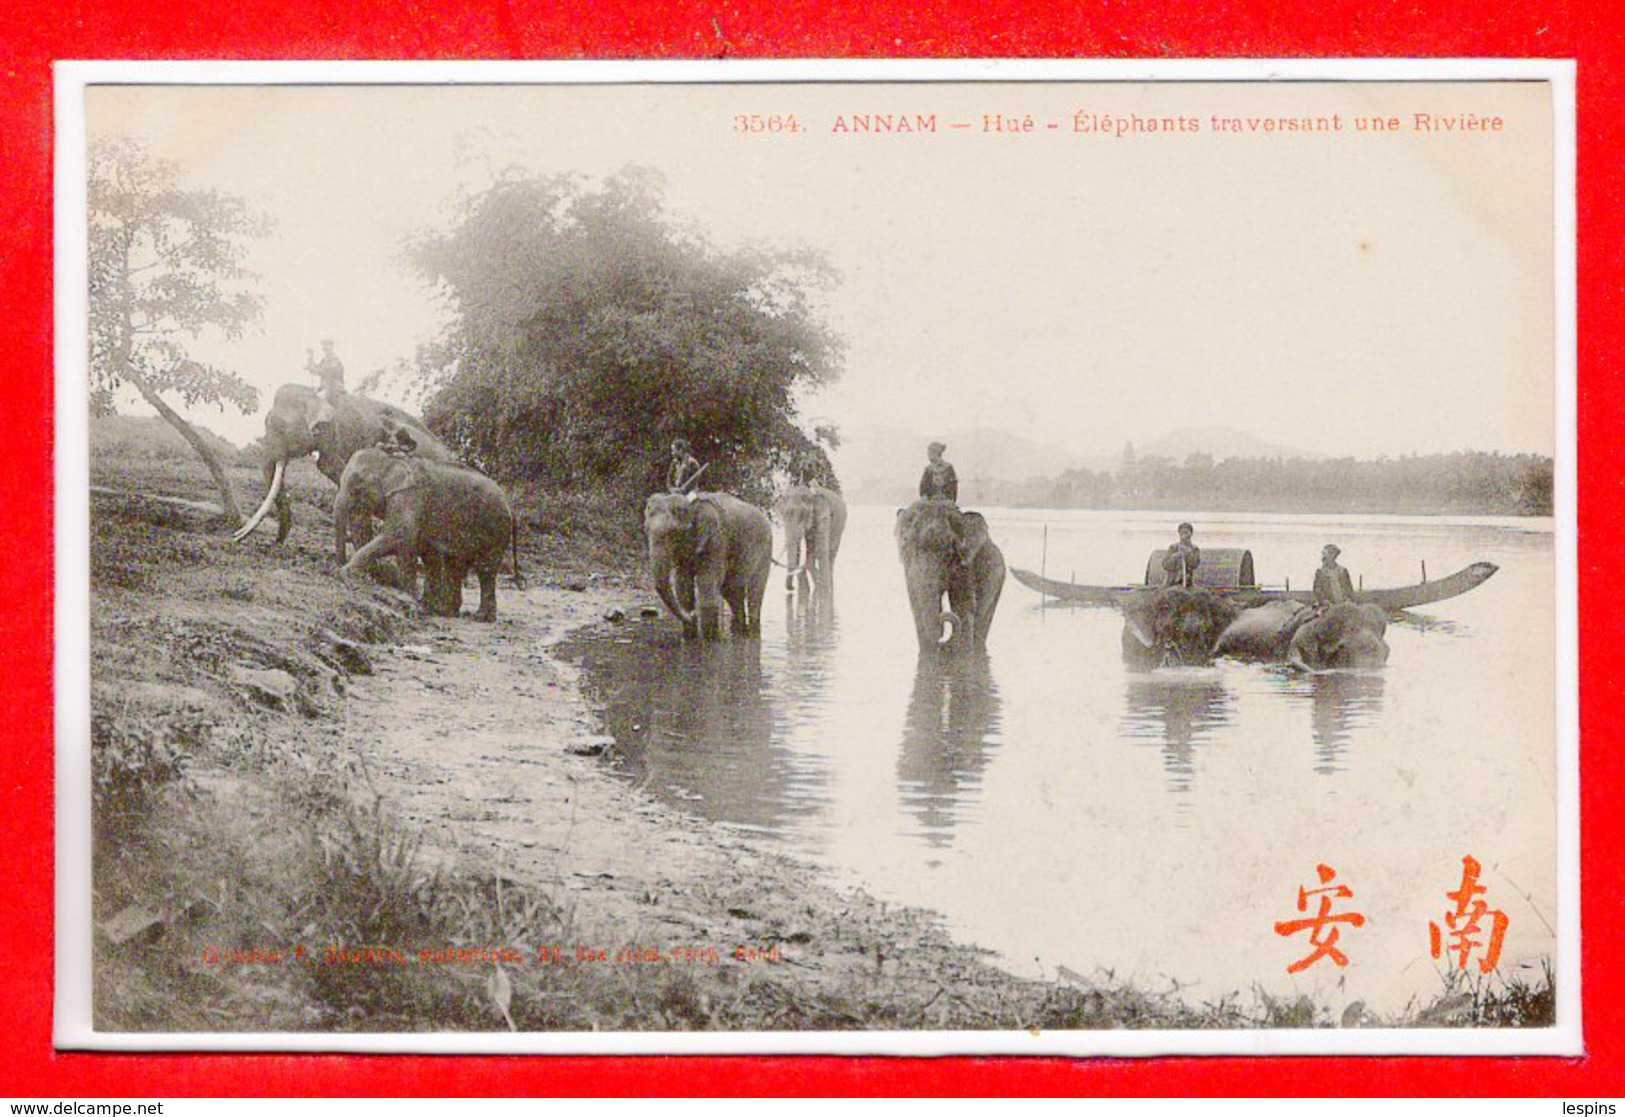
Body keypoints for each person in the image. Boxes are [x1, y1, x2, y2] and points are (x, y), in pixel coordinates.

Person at [1162, 522, 1201, 588]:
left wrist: (1188, 553)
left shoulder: (1194, 549)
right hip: (1173, 581)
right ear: (1179, 533)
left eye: (1186, 532)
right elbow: (1165, 564)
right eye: (1182, 532)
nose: (1184, 535)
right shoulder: (1173, 547)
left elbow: (1194, 564)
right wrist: (1176, 556)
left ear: (1190, 534)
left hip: (1187, 582)